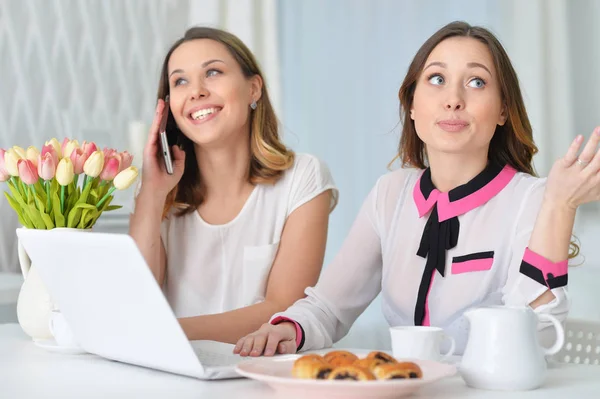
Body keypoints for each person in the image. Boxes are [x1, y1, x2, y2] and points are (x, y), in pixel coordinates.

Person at [234, 20, 600, 357]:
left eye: (477, 82)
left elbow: (538, 337)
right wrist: (291, 329)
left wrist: (560, 205)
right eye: (437, 79)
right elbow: (329, 306)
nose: (453, 99)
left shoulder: (531, 199)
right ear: (411, 104)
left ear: (503, 110)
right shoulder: (389, 194)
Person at [129, 27, 338, 343]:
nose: (196, 91)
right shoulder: (159, 195)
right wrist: (152, 193)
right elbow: (138, 297)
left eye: (212, 72)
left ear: (253, 89)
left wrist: (164, 333)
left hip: (261, 378)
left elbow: (284, 307)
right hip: (174, 376)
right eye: (180, 81)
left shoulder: (303, 178)